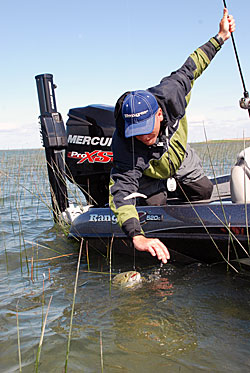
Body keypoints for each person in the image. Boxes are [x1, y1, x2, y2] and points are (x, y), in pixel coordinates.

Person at [109, 8, 236, 264]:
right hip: (150, 174)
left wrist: (221, 36)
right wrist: (136, 235)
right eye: (136, 133)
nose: (143, 138)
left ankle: (178, 188)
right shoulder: (125, 143)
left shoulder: (172, 93)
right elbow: (121, 191)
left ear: (158, 114)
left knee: (204, 192)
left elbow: (194, 64)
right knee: (156, 213)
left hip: (180, 158)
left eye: (146, 130)